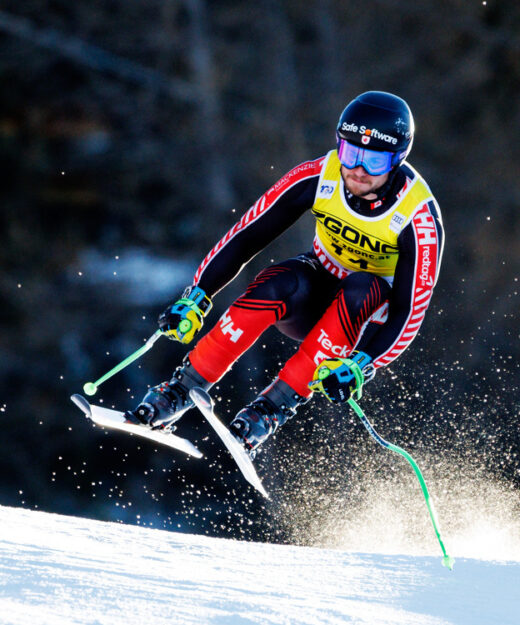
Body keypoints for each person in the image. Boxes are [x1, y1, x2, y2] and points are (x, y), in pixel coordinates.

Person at [126, 91, 444, 456]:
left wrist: (363, 364)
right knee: (279, 281)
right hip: (314, 294)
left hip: (363, 326)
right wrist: (197, 295)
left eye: (373, 160)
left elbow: (408, 313)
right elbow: (246, 235)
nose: (357, 169)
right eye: (350, 153)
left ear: (397, 159)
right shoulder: (318, 176)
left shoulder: (417, 218)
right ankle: (182, 388)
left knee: (363, 284)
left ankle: (270, 409)